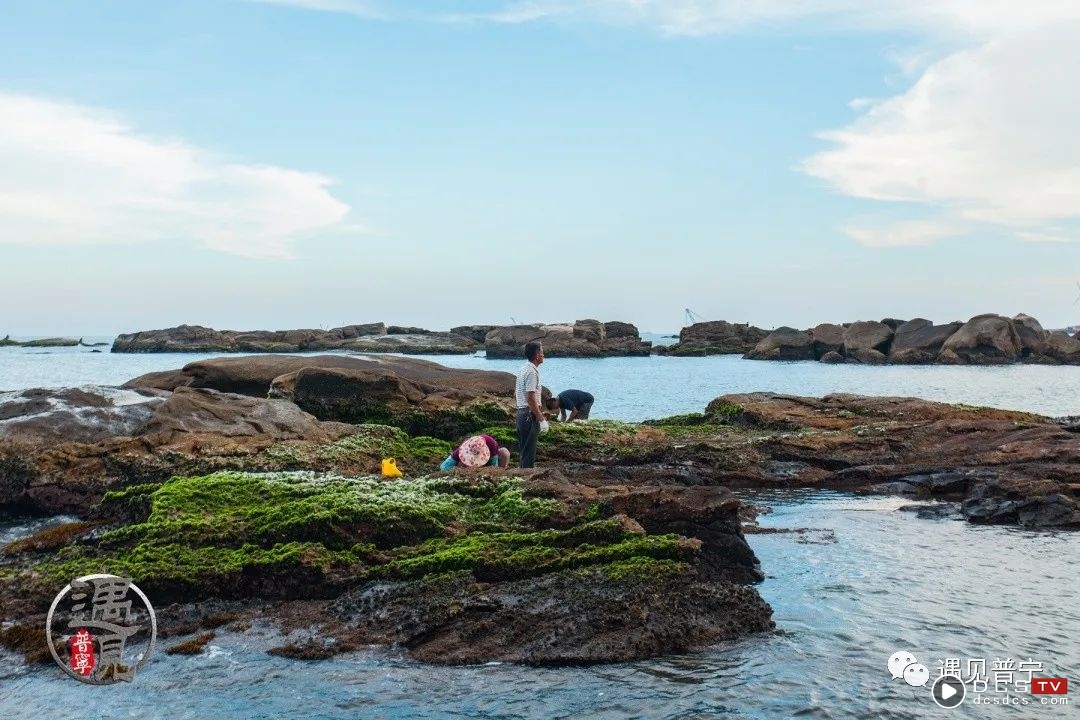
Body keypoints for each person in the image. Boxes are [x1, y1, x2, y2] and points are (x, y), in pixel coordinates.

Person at [515, 341, 548, 468]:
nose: (544, 355)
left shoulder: (523, 369)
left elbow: (516, 394)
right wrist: (541, 419)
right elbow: (530, 398)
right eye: (542, 352)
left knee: (524, 451)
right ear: (537, 355)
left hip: (521, 413)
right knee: (529, 453)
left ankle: (522, 477)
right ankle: (525, 480)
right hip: (529, 415)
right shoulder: (532, 372)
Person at [439, 434, 510, 471]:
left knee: (504, 452)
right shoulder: (462, 449)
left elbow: (494, 466)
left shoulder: (491, 443)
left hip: (488, 462)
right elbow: (444, 467)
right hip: (469, 467)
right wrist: (457, 470)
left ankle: (502, 472)